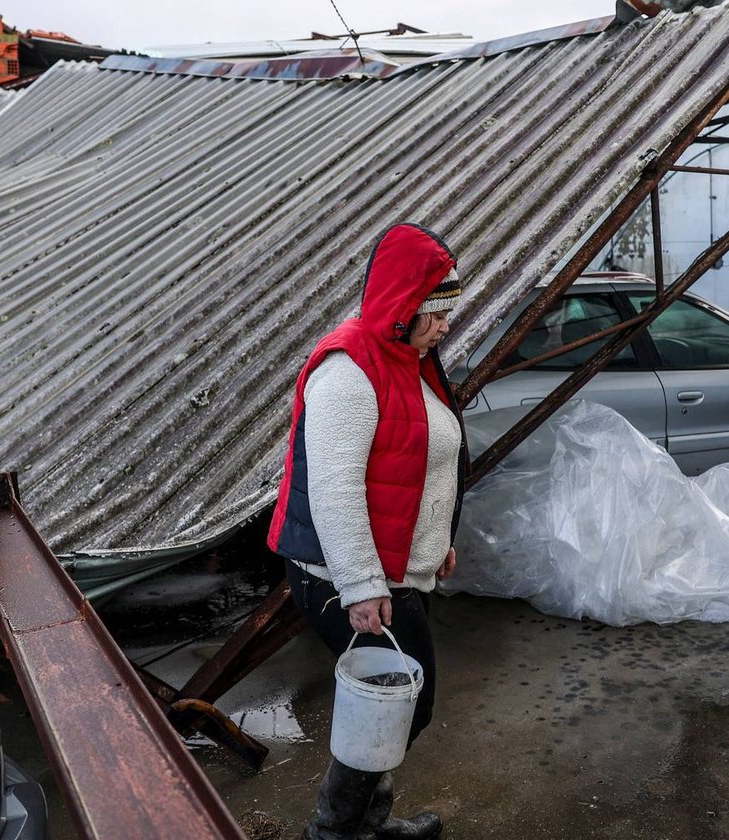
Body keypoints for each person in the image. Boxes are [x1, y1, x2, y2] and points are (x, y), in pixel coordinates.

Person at [267, 222, 467, 840]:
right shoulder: (349, 373)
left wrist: (438, 540)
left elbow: (417, 462)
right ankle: (337, 831)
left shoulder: (409, 362)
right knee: (403, 701)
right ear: (402, 309)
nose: (443, 326)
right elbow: (335, 491)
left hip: (398, 569)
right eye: (433, 313)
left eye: (447, 312)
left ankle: (361, 824)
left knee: (397, 703)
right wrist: (359, 586)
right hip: (345, 576)